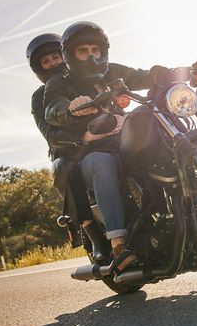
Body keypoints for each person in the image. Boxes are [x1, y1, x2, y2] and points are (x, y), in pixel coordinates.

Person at [43, 21, 165, 275]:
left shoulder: (113, 71)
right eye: (83, 51)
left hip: (123, 140)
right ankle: (119, 246)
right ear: (71, 55)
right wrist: (70, 108)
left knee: (159, 140)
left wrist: (170, 72)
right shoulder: (59, 82)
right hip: (89, 153)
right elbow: (52, 110)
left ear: (103, 50)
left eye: (95, 50)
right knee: (102, 162)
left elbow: (141, 75)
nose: (91, 56)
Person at [26, 33, 109, 261]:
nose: (53, 63)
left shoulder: (89, 79)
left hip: (105, 138)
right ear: (39, 68)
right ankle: (94, 235)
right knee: (65, 167)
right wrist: (83, 136)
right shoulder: (39, 96)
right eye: (46, 61)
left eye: (55, 57)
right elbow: (50, 134)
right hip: (70, 149)